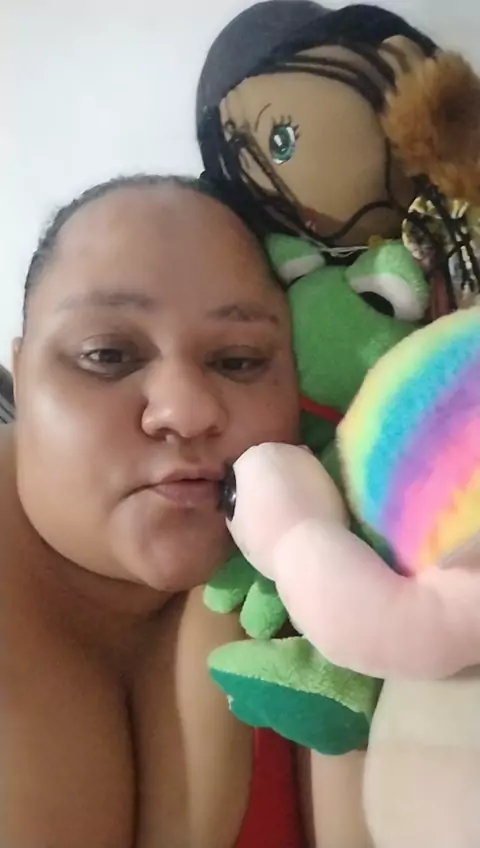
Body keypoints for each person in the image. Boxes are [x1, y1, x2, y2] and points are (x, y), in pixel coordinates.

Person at [1, 174, 372, 847]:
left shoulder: (360, 560)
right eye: (107, 355)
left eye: (239, 360)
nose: (186, 410)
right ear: (21, 377)